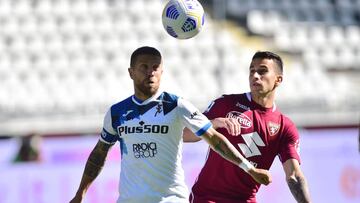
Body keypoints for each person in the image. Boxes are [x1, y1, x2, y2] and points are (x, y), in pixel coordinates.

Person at [70, 46, 271, 203]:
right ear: (131, 72)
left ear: (162, 71)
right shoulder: (117, 112)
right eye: (144, 67)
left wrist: (249, 169)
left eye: (156, 67)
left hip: (171, 199)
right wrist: (81, 193)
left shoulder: (176, 105)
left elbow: (215, 140)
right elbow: (99, 153)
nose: (151, 72)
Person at [184, 51, 312, 203]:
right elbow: (185, 135)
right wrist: (213, 123)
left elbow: (294, 176)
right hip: (207, 198)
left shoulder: (285, 127)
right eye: (252, 71)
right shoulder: (225, 104)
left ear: (278, 80)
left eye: (262, 71)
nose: (255, 75)